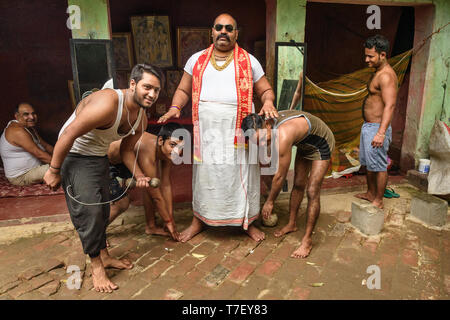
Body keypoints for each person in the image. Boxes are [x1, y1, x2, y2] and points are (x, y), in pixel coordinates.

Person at [44, 64, 180, 293]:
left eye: (157, 90)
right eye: (147, 87)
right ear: (133, 84)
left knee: (104, 209)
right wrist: (54, 169)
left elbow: (127, 150)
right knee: (91, 211)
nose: (152, 94)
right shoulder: (108, 103)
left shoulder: (141, 118)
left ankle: (104, 256)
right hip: (74, 154)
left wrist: (139, 176)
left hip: (98, 156)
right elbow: (68, 133)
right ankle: (97, 266)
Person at [158, 13, 278, 242]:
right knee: (206, 175)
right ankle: (199, 220)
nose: (224, 31)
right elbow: (183, 91)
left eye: (229, 28)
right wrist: (175, 107)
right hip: (208, 131)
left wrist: (269, 101)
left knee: (243, 175)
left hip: (239, 131)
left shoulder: (250, 61)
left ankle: (247, 221)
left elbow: (264, 90)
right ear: (211, 32)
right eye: (219, 27)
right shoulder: (196, 60)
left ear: (236, 33)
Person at [241, 110, 335, 258]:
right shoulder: (269, 126)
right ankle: (292, 224)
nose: (262, 145)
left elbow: (280, 176)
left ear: (266, 125)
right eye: (257, 142)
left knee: (312, 190)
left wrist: (270, 202)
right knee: (298, 183)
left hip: (321, 142)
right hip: (305, 143)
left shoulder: (283, 135)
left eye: (262, 139)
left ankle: (307, 241)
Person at [107, 124, 185, 236]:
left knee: (149, 184)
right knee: (121, 203)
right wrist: (168, 222)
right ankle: (96, 236)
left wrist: (170, 218)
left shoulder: (168, 151)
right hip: (105, 162)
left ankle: (151, 226)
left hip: (124, 163)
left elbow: (166, 185)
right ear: (160, 141)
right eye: (173, 145)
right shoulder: (147, 150)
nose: (177, 152)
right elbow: (157, 196)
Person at [355, 35, 398, 209]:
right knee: (369, 165)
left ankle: (378, 200)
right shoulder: (378, 73)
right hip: (369, 127)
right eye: (366, 55)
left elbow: (390, 105)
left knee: (379, 166)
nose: (367, 60)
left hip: (377, 128)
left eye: (370, 56)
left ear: (382, 55)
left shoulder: (386, 76)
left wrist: (381, 132)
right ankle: (370, 193)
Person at [0, 103, 54, 186]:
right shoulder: (17, 131)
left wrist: (65, 155)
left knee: (68, 163)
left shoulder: (28, 128)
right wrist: (61, 163)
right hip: (21, 176)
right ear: (17, 116)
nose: (32, 117)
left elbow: (46, 146)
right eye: (26, 114)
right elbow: (39, 154)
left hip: (35, 169)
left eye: (33, 113)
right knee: (62, 169)